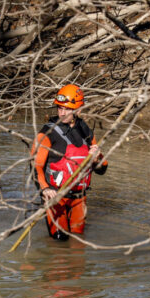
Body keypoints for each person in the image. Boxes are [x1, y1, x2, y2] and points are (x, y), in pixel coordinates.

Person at [32, 84, 108, 241]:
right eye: (59, 108)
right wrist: (45, 189)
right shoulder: (47, 133)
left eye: (67, 109)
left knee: (79, 239)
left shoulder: (86, 131)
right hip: (55, 196)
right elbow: (36, 167)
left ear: (79, 110)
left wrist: (97, 158)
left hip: (79, 197)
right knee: (60, 241)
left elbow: (102, 169)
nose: (62, 112)